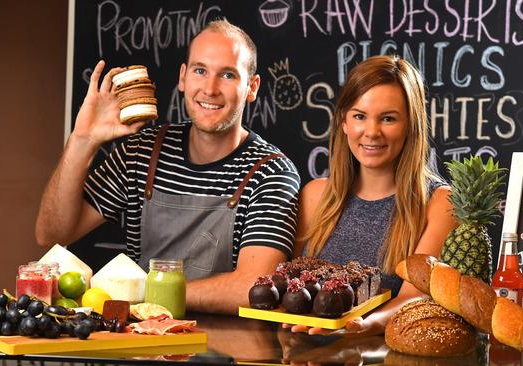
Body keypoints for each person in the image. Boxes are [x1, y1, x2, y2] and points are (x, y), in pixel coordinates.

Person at [35, 19, 300, 314]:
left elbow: (252, 287)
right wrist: (82, 140)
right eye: (200, 71)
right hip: (140, 342)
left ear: (251, 87)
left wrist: (143, 292)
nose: (210, 89)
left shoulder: (272, 173)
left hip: (228, 350)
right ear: (183, 77)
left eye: (227, 75)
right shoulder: (141, 152)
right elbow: (52, 235)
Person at [287, 55, 457, 335]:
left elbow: (413, 297)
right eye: (359, 116)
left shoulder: (439, 204)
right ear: (343, 122)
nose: (372, 132)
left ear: (411, 125)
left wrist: (363, 326)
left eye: (388, 118)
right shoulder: (314, 196)